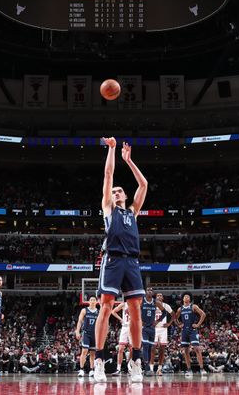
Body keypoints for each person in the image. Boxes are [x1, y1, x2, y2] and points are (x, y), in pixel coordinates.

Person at [92, 139, 148, 383]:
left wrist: (129, 161)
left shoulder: (133, 212)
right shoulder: (108, 209)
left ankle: (136, 360)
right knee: (105, 306)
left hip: (132, 263)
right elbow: (107, 173)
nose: (115, 193)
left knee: (136, 309)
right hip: (113, 261)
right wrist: (113, 150)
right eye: (113, 191)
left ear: (125, 196)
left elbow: (144, 184)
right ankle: (99, 360)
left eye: (118, 191)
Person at [173, 293, 207, 377]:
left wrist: (198, 324)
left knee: (197, 348)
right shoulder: (180, 309)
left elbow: (203, 314)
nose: (186, 297)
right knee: (186, 351)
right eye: (185, 296)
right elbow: (174, 318)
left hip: (193, 330)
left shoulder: (193, 306)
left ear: (190, 299)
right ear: (183, 299)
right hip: (184, 330)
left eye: (188, 296)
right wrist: (179, 324)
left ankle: (202, 369)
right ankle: (189, 370)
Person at [150, 292, 174, 376]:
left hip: (163, 329)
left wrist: (169, 323)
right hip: (154, 328)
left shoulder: (166, 306)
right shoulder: (152, 305)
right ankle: (151, 368)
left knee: (162, 349)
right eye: (158, 295)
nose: (159, 296)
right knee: (153, 348)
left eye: (161, 295)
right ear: (155, 297)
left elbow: (173, 315)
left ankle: (159, 369)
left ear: (162, 298)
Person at [75, 296, 98, 377]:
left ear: (96, 302)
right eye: (91, 300)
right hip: (86, 333)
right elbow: (80, 321)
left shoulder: (98, 312)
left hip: (95, 334)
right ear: (89, 301)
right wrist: (77, 331)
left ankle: (92, 370)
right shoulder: (84, 310)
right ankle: (81, 369)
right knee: (84, 351)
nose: (92, 301)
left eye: (94, 300)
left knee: (92, 353)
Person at [111, 301, 132, 375]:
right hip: (125, 327)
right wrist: (121, 319)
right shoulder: (124, 304)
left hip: (133, 328)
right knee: (120, 349)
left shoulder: (137, 304)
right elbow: (113, 311)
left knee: (132, 349)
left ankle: (129, 367)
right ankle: (118, 369)